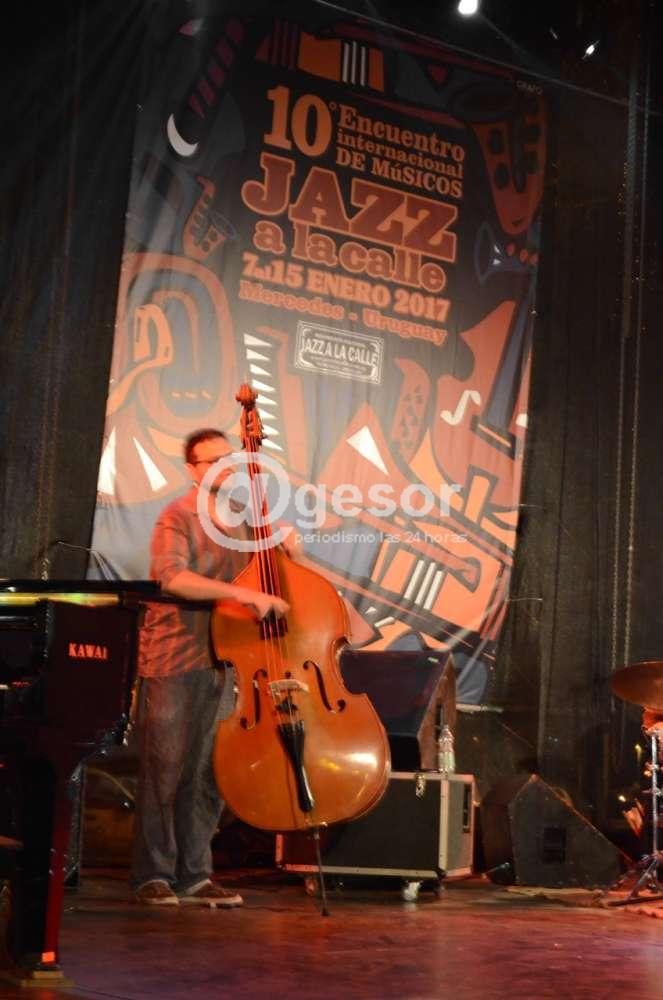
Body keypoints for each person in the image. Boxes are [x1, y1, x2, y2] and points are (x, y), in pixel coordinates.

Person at [131, 427, 289, 906]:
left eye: (229, 459)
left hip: (227, 661)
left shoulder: (242, 522)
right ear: (192, 470)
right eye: (212, 460)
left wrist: (289, 547)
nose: (224, 467)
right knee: (164, 769)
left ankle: (195, 875)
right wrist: (242, 594)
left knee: (208, 772)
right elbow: (171, 577)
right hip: (174, 657)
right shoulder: (176, 515)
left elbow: (272, 577)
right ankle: (154, 875)